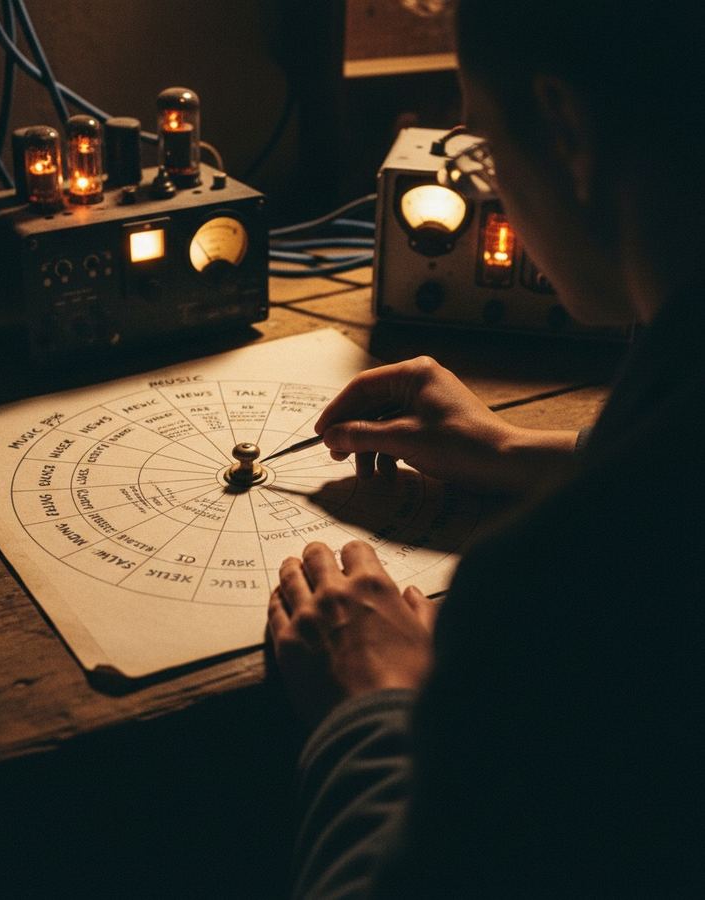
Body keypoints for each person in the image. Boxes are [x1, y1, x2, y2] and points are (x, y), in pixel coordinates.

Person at [266, 0, 705, 895]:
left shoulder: (547, 602)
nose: (493, 181)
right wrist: (522, 452)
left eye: (482, 144)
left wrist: (372, 704)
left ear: (564, 127)